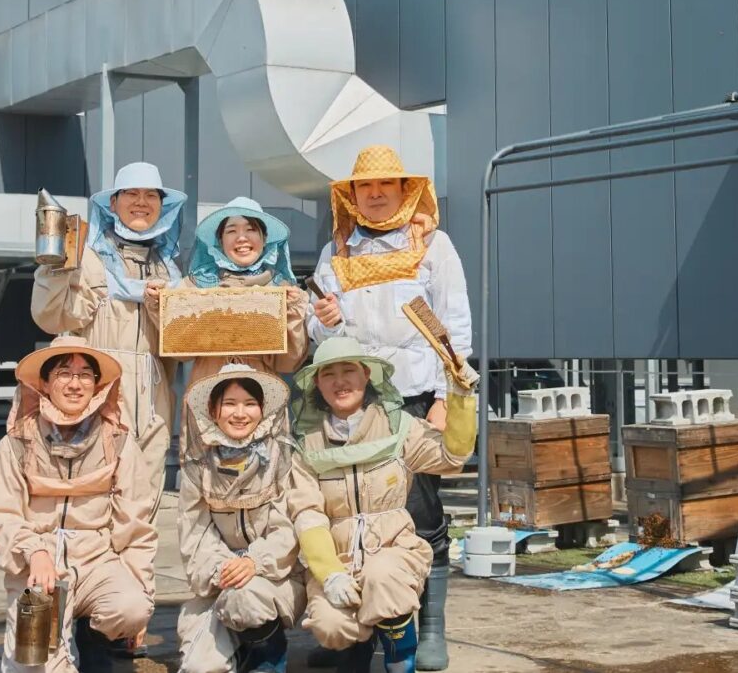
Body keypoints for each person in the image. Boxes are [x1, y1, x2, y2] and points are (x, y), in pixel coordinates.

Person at [307, 146, 471, 669]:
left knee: (420, 511)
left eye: (386, 186)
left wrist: (446, 398)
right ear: (350, 196)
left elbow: (454, 326)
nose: (375, 195)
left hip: (418, 396)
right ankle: (361, 631)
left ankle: (430, 627)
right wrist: (326, 317)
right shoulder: (338, 250)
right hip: (357, 400)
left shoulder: (433, 245)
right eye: (365, 187)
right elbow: (319, 332)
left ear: (406, 191)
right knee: (354, 511)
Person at [287, 338, 475, 673]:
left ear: (367, 376)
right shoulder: (308, 445)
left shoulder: (398, 426)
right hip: (339, 559)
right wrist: (329, 574)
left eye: (349, 371)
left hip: (394, 550)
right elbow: (308, 515)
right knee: (331, 625)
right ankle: (354, 647)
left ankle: (400, 659)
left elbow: (452, 455)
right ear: (317, 384)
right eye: (329, 374)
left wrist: (460, 399)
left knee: (382, 576)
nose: (340, 381)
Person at [0, 335, 158, 673]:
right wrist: (34, 551)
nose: (75, 384)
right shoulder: (16, 444)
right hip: (39, 571)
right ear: (45, 384)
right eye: (64, 373)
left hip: (96, 562)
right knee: (33, 665)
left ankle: (93, 643)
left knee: (132, 607)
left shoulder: (120, 443)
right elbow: (0, 519)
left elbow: (135, 527)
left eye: (85, 375)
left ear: (97, 386)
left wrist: (143, 593)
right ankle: (53, 645)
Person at [32, 160, 186, 523]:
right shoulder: (87, 256)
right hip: (96, 391)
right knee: (90, 500)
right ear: (113, 203)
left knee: (143, 504)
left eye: (151, 195)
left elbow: (181, 346)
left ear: (163, 206)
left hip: (153, 403)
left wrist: (162, 312)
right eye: (131, 193)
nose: (141, 202)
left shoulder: (170, 267)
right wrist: (54, 270)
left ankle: (136, 579)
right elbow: (51, 317)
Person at [176, 363, 305, 673]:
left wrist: (253, 562)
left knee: (246, 599)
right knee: (198, 668)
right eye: (230, 404)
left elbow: (288, 528)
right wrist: (224, 567)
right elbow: (194, 533)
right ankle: (240, 648)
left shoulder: (284, 455)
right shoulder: (198, 462)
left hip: (275, 576)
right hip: (221, 577)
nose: (240, 413)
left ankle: (269, 655)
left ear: (262, 409)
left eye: (250, 404)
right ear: (213, 409)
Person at [178, 197, 311, 454]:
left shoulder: (284, 289)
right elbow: (180, 353)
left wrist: (293, 312)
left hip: (262, 398)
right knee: (205, 479)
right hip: (207, 397)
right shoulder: (193, 286)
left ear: (264, 239)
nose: (242, 238)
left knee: (264, 478)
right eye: (232, 230)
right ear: (219, 241)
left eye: (251, 229)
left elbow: (289, 362)